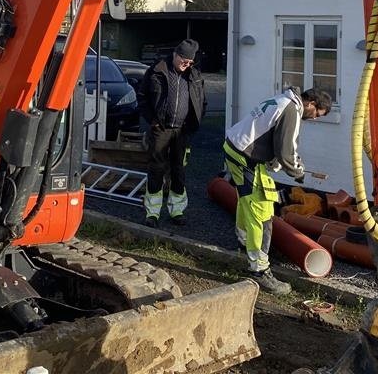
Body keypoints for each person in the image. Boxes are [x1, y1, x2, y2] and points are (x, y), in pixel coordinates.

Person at [223, 86, 332, 295]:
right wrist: (297, 171)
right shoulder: (292, 110)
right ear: (310, 103)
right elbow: (286, 151)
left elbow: (270, 137)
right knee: (262, 213)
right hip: (246, 158)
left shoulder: (283, 100)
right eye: (317, 114)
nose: (315, 118)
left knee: (247, 201)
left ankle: (244, 244)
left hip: (235, 149)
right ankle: (259, 270)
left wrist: (277, 161)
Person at [140, 38, 206, 228]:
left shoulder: (194, 76)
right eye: (184, 60)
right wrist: (152, 120)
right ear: (176, 55)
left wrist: (195, 123)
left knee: (179, 170)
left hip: (182, 131)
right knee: (156, 169)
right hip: (160, 129)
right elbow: (142, 96)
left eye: (190, 62)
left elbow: (202, 101)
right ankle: (152, 212)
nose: (187, 65)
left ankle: (177, 210)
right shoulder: (157, 71)